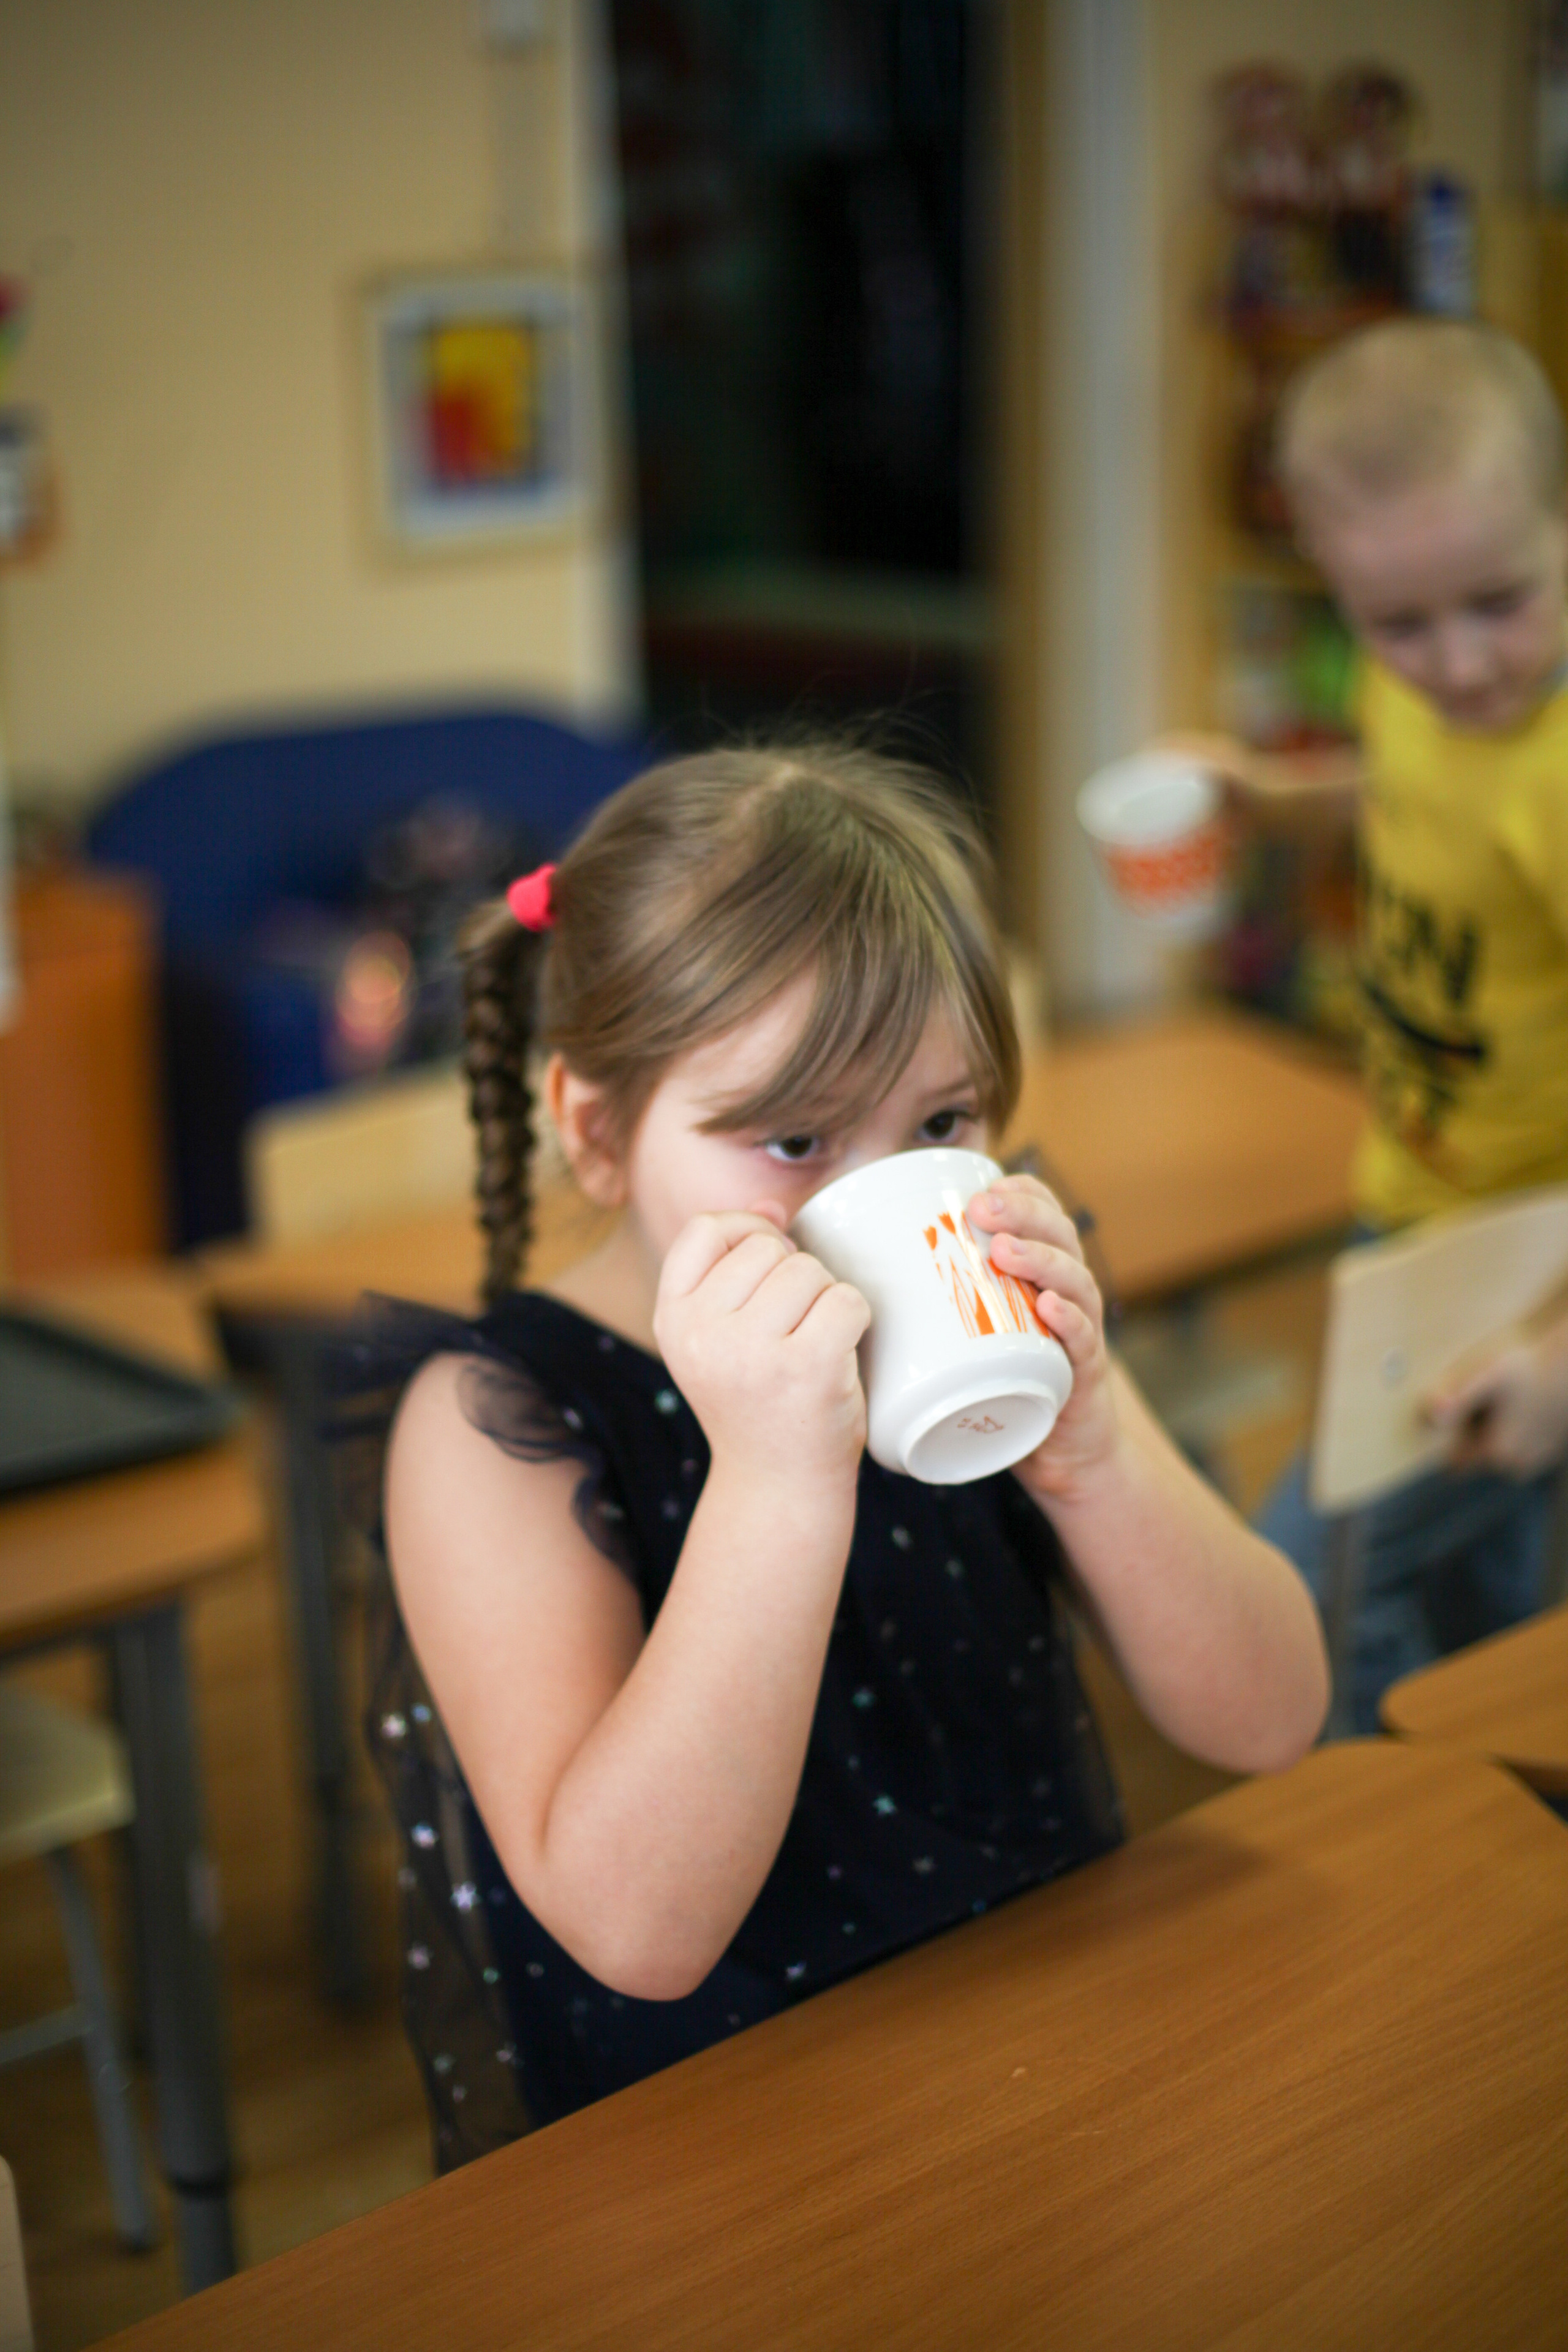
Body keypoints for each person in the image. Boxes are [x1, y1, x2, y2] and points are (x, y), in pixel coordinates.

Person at [347, 742, 1327, 2165]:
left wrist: (1093, 1449)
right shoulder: (496, 1429)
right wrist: (772, 1481)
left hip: (1048, 2062)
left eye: (940, 1123)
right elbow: (636, 1929)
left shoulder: (1000, 1315)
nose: (878, 1199)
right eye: (795, 1138)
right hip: (711, 2144)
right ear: (597, 1133)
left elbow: (1272, 1717)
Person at [1256, 317, 1568, 1730]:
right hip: (1418, 1205)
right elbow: (1412, 789)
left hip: (1524, 1256)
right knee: (1493, 1599)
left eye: (1497, 602)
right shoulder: (1421, 687)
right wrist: (1259, 799)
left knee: (1307, 1593)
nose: (1449, 666)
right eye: (1396, 624)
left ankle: (1370, 1895)